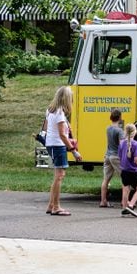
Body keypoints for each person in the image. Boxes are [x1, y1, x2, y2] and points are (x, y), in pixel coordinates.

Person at [44, 86, 82, 216]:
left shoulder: (50, 110)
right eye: (70, 97)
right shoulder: (59, 113)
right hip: (57, 145)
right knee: (59, 176)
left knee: (57, 176)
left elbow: (46, 127)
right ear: (66, 98)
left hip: (52, 144)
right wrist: (74, 151)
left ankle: (51, 205)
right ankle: (56, 207)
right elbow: (62, 135)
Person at [99, 109, 124, 208]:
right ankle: (124, 201)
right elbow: (122, 145)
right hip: (116, 156)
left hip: (108, 155)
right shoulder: (119, 130)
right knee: (125, 178)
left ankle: (103, 201)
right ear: (120, 117)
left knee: (106, 179)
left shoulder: (108, 128)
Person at [118, 123, 137, 217]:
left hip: (124, 170)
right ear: (135, 132)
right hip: (133, 171)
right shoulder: (136, 144)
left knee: (125, 189)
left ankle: (124, 208)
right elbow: (136, 159)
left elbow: (120, 157)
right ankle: (131, 205)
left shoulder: (121, 143)